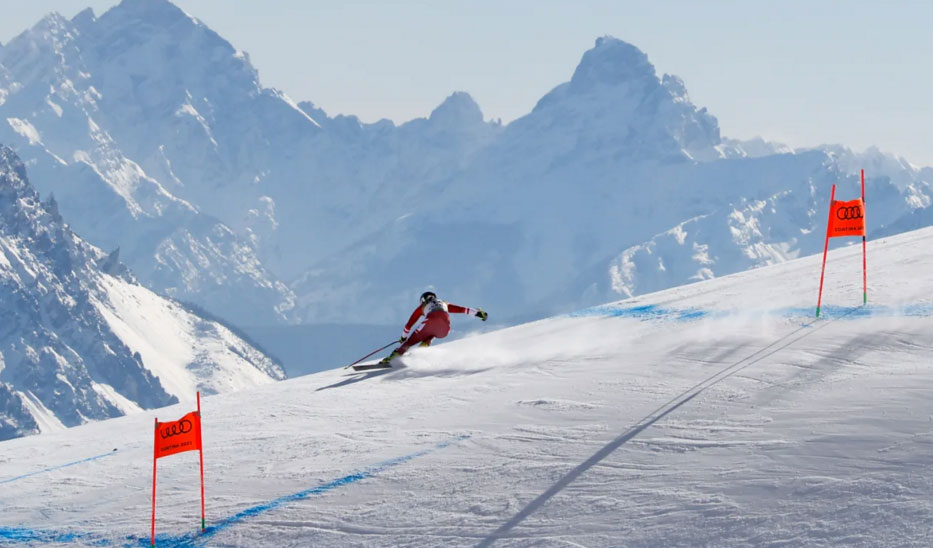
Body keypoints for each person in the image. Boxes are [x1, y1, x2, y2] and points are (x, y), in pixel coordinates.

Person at [380, 291, 488, 364]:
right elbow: (463, 310)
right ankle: (424, 346)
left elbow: (409, 325)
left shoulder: (422, 307)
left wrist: (403, 338)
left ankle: (394, 357)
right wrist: (478, 313)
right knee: (432, 335)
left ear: (423, 300)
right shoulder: (444, 302)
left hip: (431, 320)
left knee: (411, 341)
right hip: (445, 329)